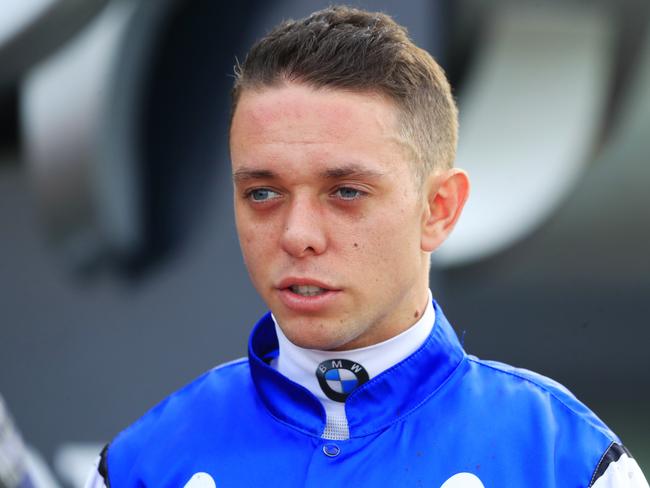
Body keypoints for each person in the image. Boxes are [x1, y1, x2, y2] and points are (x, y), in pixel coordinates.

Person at [85, 6, 648, 487]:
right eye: (263, 192)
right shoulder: (147, 463)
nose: (297, 234)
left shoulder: (564, 462)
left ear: (439, 209)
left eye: (346, 191)